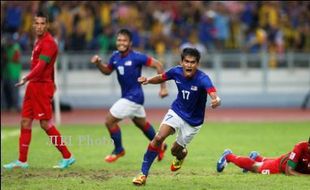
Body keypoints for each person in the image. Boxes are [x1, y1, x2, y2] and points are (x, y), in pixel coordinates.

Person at [132, 47, 222, 186]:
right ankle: (142, 174)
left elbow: (212, 92)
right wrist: (148, 80)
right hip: (177, 111)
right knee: (158, 138)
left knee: (175, 151)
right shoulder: (176, 71)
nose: (189, 65)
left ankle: (182, 155)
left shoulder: (203, 78)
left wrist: (216, 100)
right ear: (181, 62)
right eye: (186, 61)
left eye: (192, 62)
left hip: (193, 122)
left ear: (197, 64)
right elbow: (161, 77)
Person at [3, 11, 75, 170]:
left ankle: (68, 156)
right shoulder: (38, 41)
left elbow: (42, 67)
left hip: (41, 86)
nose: (39, 26)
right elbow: (48, 68)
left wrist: (26, 78)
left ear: (47, 25)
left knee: (45, 124)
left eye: (43, 23)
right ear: (33, 25)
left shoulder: (48, 43)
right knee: (25, 121)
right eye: (37, 23)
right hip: (33, 86)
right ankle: (22, 161)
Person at [90, 28, 169, 163]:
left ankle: (119, 149)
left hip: (134, 97)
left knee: (109, 121)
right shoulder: (114, 56)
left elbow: (158, 65)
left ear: (130, 43)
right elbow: (108, 71)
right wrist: (98, 64)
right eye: (119, 40)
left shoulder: (137, 57)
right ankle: (160, 145)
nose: (121, 43)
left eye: (124, 40)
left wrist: (163, 88)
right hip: (129, 97)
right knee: (142, 124)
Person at [216, 138, 310, 176]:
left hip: (287, 161)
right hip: (281, 166)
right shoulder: (300, 147)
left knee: (262, 163)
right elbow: (289, 171)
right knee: (256, 167)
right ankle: (229, 156)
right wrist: (306, 176)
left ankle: (257, 157)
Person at [2, 33, 22, 112]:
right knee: (6, 91)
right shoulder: (6, 47)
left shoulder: (16, 47)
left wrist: (6, 58)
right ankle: (8, 106)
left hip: (14, 73)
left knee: (14, 91)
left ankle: (15, 106)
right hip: (6, 72)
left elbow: (16, 58)